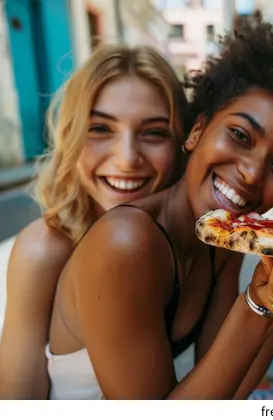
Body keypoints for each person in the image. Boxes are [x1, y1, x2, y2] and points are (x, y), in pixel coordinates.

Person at [43, 14, 273, 400]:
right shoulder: (125, 241)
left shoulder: (223, 239)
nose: (252, 174)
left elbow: (229, 392)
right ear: (197, 131)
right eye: (240, 135)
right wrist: (256, 305)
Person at [0, 44, 191, 399]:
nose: (127, 158)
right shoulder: (43, 252)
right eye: (101, 128)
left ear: (182, 144)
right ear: (71, 136)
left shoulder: (186, 241)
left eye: (154, 133)